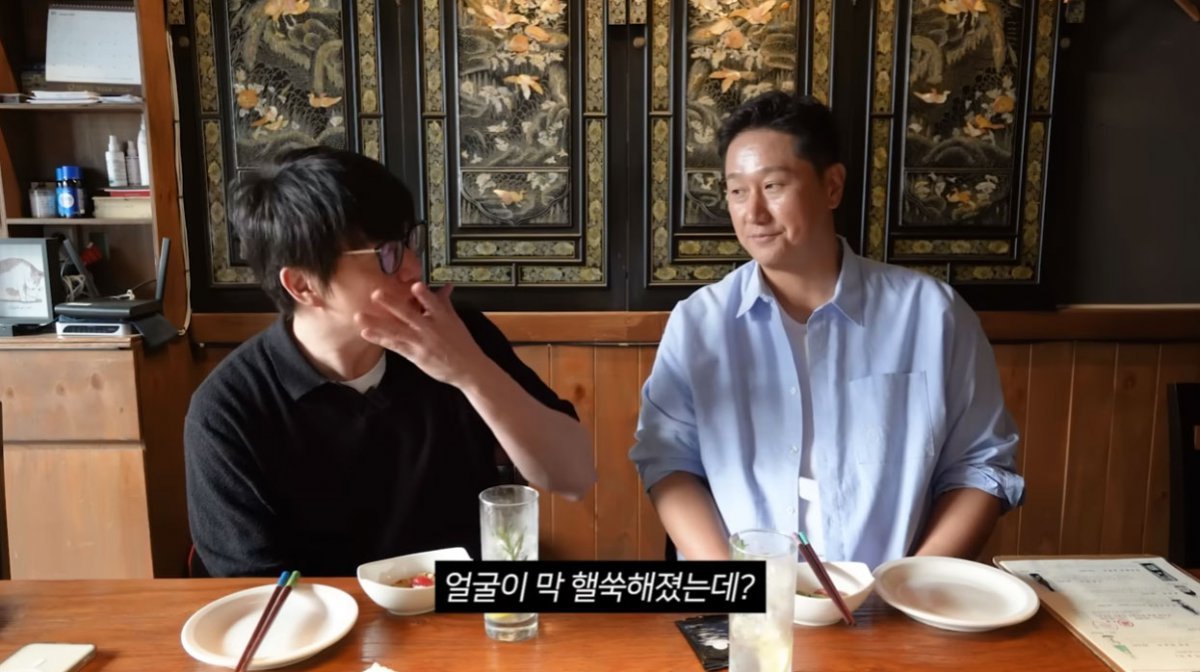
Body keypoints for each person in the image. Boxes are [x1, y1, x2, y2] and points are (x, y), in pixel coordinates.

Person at [629, 91, 1024, 568]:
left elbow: (981, 466)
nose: (753, 213)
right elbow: (668, 461)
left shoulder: (931, 314)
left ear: (832, 186)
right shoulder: (699, 323)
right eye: (737, 191)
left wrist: (910, 585)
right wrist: (739, 585)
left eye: (773, 185)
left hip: (892, 598)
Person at [185, 146, 595, 577]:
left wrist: (470, 371)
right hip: (324, 618)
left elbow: (575, 477)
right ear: (303, 285)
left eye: (408, 242)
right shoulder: (228, 410)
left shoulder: (458, 335)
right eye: (386, 254)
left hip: (462, 607)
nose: (414, 268)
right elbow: (257, 591)